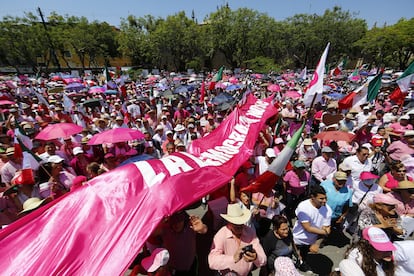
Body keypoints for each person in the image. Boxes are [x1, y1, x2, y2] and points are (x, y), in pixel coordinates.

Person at [208, 203, 266, 276]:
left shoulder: (250, 232)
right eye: (235, 224)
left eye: (240, 223)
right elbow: (212, 261)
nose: (239, 226)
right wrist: (232, 258)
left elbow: (263, 259)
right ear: (229, 222)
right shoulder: (221, 234)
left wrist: (256, 257)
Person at [292, 185, 332, 270]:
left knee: (304, 256)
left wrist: (316, 243)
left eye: (325, 198)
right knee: (294, 257)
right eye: (321, 199)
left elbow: (326, 227)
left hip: (310, 241)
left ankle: (302, 264)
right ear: (312, 197)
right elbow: (308, 228)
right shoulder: (303, 207)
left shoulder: (328, 210)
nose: (324, 201)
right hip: (298, 239)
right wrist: (325, 232)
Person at [155, 211, 207, 276]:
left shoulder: (190, 226)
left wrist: (202, 228)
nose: (176, 225)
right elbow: (151, 233)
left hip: (191, 264)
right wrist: (160, 221)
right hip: (175, 269)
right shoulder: (165, 229)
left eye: (179, 221)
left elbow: (204, 230)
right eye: (173, 222)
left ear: (184, 220)